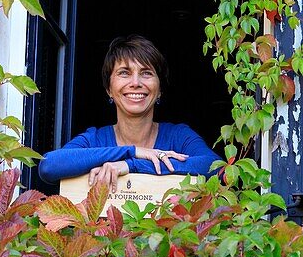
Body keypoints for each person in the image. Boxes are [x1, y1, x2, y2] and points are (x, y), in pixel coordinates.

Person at [38, 35, 221, 190]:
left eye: (146, 73)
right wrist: (133, 151)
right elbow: (48, 166)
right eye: (124, 73)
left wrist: (131, 164)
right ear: (109, 89)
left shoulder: (178, 137)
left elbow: (218, 169)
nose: (135, 82)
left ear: (160, 90)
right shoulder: (95, 139)